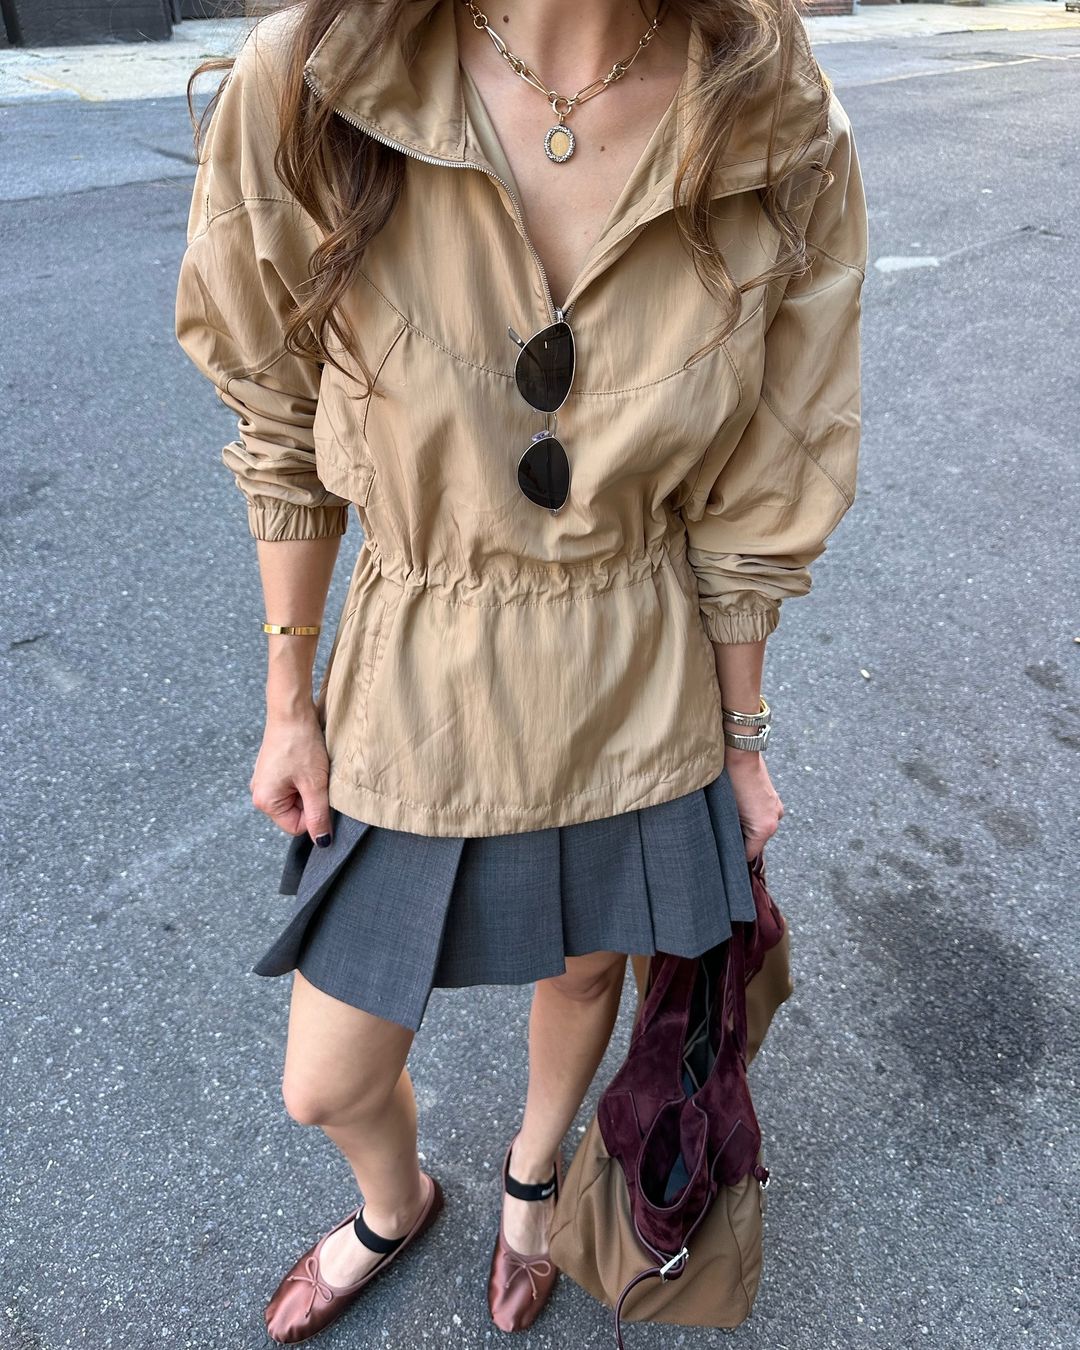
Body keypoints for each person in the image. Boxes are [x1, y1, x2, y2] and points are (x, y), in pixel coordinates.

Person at [174, 0, 868, 1342]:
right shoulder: (318, 72)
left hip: (635, 671)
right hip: (416, 664)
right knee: (326, 1079)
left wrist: (744, 740)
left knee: (587, 976)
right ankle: (394, 1202)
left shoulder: (774, 112)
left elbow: (769, 478)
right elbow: (276, 421)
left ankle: (531, 1179)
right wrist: (288, 700)